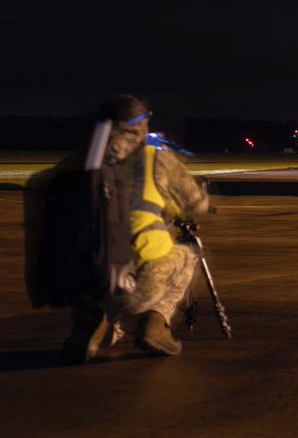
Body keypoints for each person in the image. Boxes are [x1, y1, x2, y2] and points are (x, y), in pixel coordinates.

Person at [60, 94, 211, 362]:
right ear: (140, 124)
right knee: (186, 257)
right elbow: (194, 204)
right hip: (138, 279)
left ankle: (94, 323)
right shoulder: (154, 157)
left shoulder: (82, 162)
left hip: (81, 279)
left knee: (97, 257)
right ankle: (155, 322)